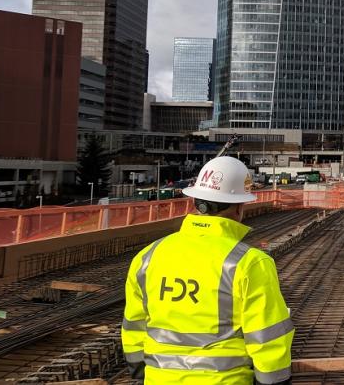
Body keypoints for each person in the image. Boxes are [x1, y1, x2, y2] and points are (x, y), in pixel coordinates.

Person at [121, 156, 293, 384]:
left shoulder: (148, 257)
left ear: (196, 202)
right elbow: (268, 340)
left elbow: (133, 328)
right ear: (240, 206)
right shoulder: (250, 263)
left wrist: (144, 374)